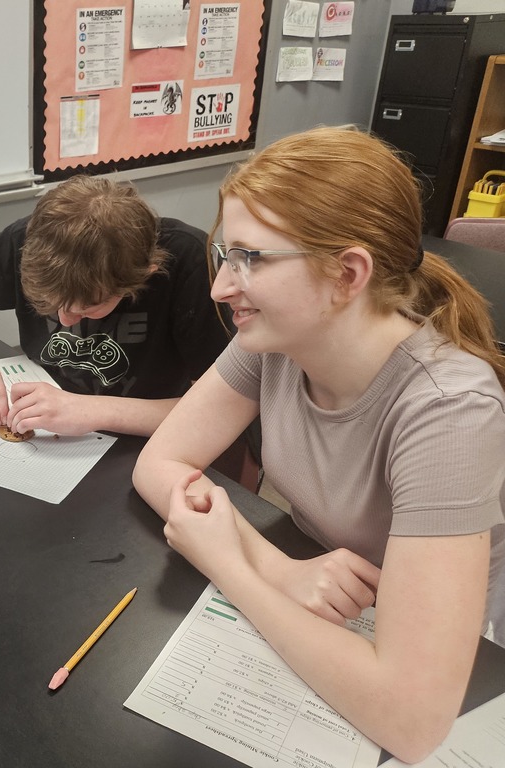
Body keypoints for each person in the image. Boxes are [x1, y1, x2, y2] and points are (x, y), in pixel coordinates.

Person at [132, 126, 505, 763]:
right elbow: (160, 463)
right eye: (226, 255)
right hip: (336, 597)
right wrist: (281, 570)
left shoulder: (448, 410)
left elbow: (412, 720)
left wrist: (229, 564)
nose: (222, 288)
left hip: (460, 654)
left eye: (251, 258)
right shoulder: (279, 341)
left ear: (348, 273)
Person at [0, 175, 231, 437]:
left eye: (87, 307)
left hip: (146, 438)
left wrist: (92, 411)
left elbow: (222, 409)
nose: (65, 319)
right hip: (48, 424)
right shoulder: (31, 240)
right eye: (50, 305)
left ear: (143, 275)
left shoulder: (189, 262)